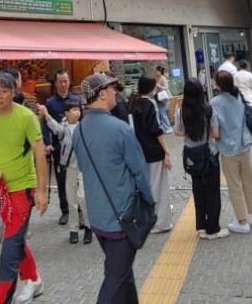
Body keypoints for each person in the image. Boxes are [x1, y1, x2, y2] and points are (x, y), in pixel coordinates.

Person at [73, 73, 154, 303]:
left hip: (97, 215)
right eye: (112, 89)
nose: (116, 93)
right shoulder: (120, 129)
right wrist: (149, 202)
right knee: (115, 279)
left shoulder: (78, 130)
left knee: (123, 274)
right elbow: (139, 171)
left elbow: (83, 165)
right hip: (123, 215)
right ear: (101, 94)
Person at [0, 72, 48, 304]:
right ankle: (33, 278)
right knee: (14, 239)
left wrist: (43, 191)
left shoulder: (27, 117)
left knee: (8, 250)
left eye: (4, 91)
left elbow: (40, 154)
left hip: (24, 188)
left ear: (14, 92)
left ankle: (0, 299)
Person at [174, 78, 226, 239]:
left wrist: (190, 133)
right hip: (208, 154)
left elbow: (176, 131)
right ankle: (213, 229)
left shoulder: (180, 111)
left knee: (198, 191)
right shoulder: (208, 109)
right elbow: (216, 134)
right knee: (212, 191)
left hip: (191, 156)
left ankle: (201, 227)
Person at [210, 71, 252, 234]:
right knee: (249, 182)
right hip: (245, 144)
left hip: (227, 149)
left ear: (218, 85)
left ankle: (242, 221)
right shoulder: (238, 96)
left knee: (235, 186)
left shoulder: (215, 102)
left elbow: (216, 132)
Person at [38, 101, 91, 244]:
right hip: (69, 168)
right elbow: (55, 128)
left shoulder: (85, 127)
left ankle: (88, 227)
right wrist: (47, 115)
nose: (77, 112)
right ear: (67, 113)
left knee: (83, 199)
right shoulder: (64, 128)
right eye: (74, 110)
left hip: (83, 168)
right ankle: (73, 230)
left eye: (78, 109)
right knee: (72, 201)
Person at [131, 75, 173, 233]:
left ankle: (147, 219)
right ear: (149, 87)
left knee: (147, 185)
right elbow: (157, 129)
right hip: (154, 150)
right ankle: (160, 222)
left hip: (140, 151)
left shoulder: (134, 103)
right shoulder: (150, 103)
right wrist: (166, 151)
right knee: (159, 187)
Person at [43, 68, 82, 226]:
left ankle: (79, 210)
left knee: (78, 180)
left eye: (66, 81)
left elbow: (83, 122)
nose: (64, 84)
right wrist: (48, 143)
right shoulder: (50, 103)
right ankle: (65, 211)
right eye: (60, 82)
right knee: (61, 181)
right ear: (55, 83)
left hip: (77, 148)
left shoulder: (76, 100)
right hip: (59, 148)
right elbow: (46, 124)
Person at [154, 66, 173, 133]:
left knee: (163, 113)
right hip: (160, 98)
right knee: (161, 113)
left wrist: (158, 86)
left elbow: (166, 88)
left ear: (160, 71)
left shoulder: (163, 78)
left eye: (157, 71)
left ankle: (168, 127)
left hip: (163, 98)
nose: (156, 72)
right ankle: (165, 127)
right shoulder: (158, 78)